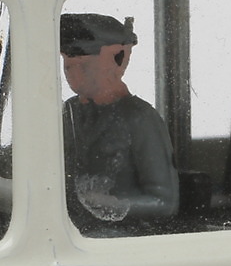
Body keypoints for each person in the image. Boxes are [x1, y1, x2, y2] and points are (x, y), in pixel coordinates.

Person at [60, 13, 179, 232]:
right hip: (70, 231)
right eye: (67, 64)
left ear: (118, 59)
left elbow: (164, 201)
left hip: (122, 237)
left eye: (84, 64)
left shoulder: (140, 118)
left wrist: (111, 204)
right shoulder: (69, 112)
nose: (71, 72)